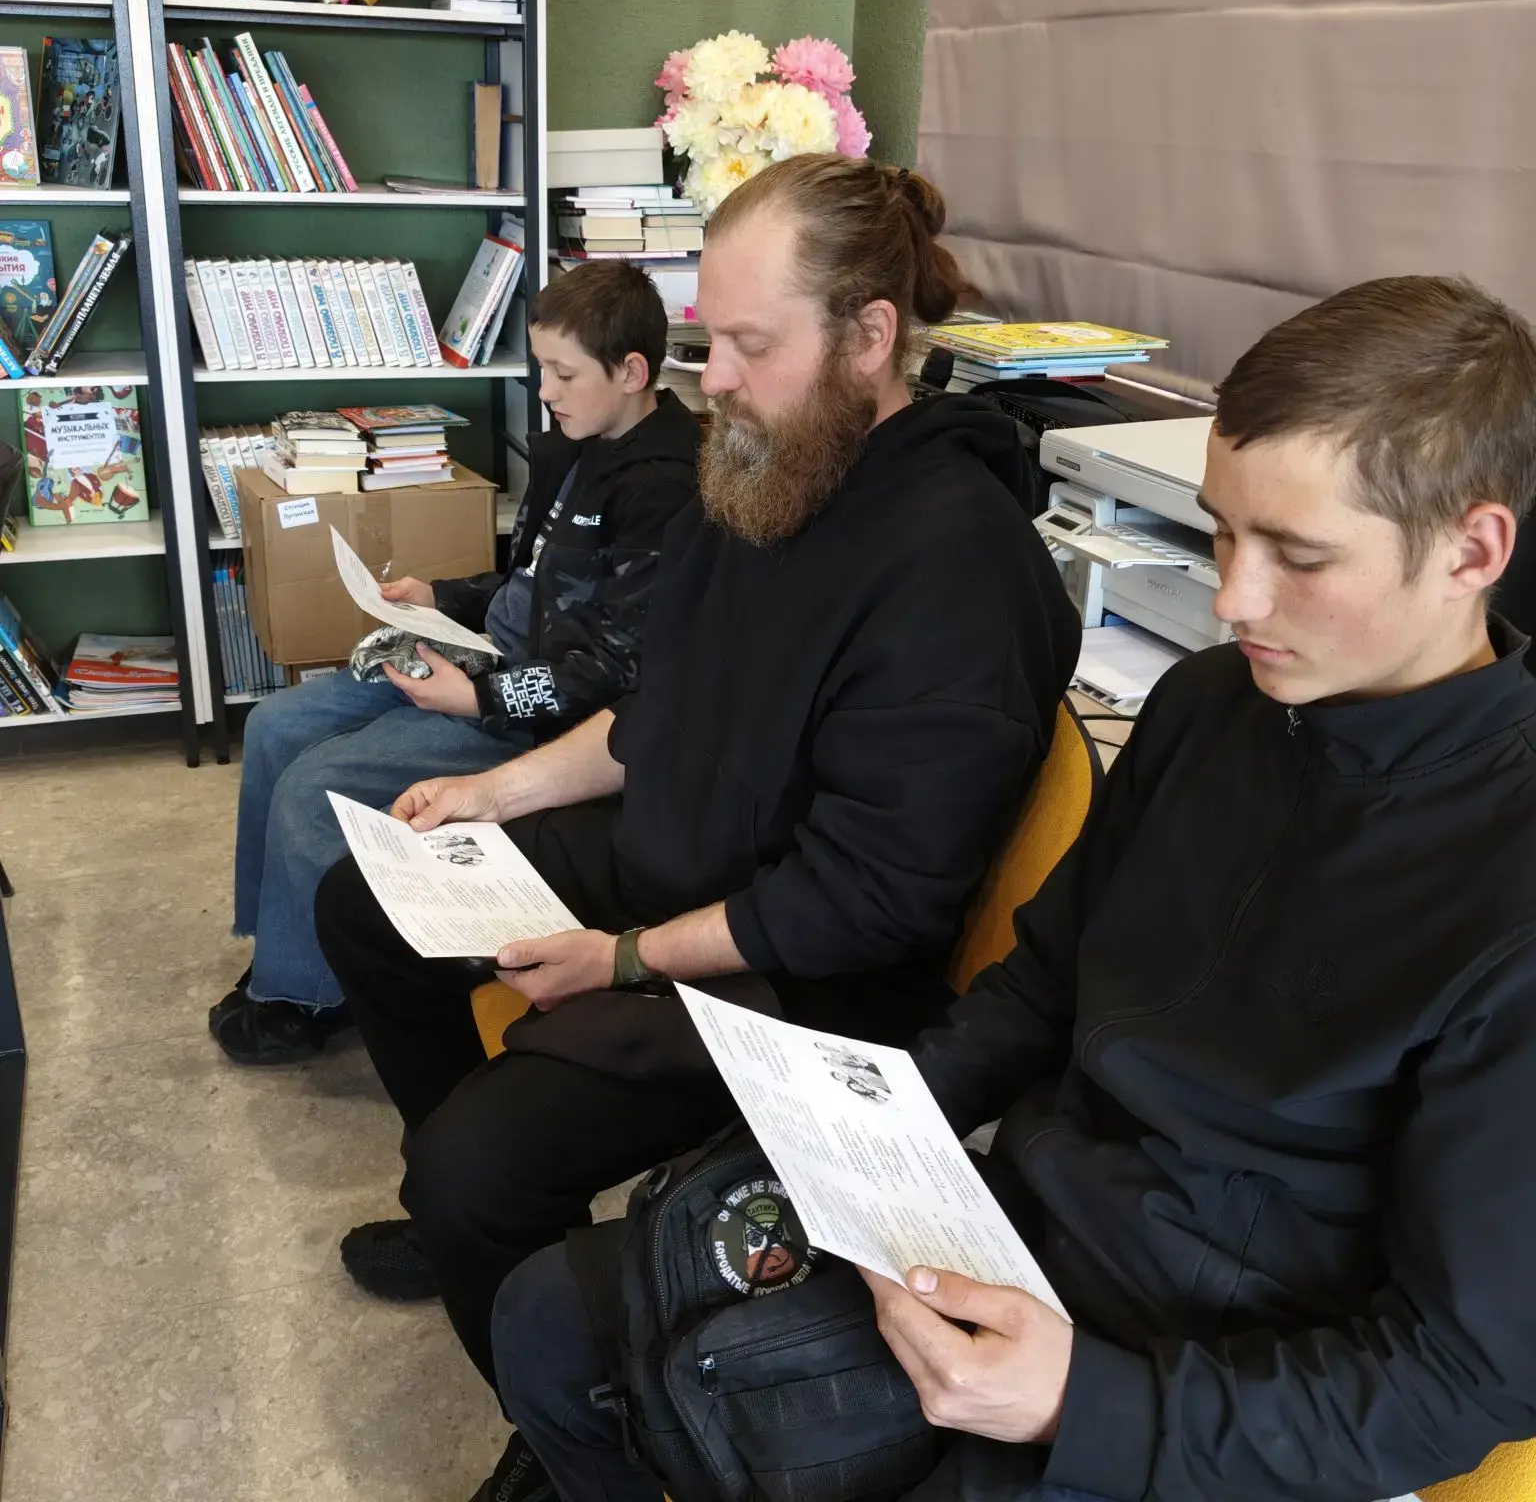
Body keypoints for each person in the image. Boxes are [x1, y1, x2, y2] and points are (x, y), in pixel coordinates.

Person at [489, 273, 1536, 1502]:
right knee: (552, 1319)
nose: (1233, 598)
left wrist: (1082, 1405)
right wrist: (882, 1128)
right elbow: (1044, 982)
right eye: (1221, 532)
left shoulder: (1505, 885)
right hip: (1018, 1227)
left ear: (1473, 549)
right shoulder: (1212, 705)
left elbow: (1461, 1377)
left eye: (1298, 555)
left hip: (1205, 1376)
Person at [312, 154, 1081, 1495]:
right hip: (673, 857)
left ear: (871, 336)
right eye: (704, 338)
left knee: (472, 1172)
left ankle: (566, 1425)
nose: (710, 377)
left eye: (747, 344)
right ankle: (488, 1243)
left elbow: (867, 899)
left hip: (801, 971)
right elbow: (657, 710)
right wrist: (493, 793)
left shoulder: (959, 569)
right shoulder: (767, 469)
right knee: (365, 900)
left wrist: (619, 960)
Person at [210, 261, 699, 1064]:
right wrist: (439, 595)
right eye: (541, 368)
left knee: (314, 788)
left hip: (530, 709)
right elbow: (530, 580)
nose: (545, 389)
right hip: (478, 655)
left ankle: (309, 998)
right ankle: (288, 947)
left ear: (633, 372)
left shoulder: (664, 490)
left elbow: (616, 673)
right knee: (274, 726)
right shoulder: (575, 443)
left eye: (564, 373)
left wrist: (476, 700)